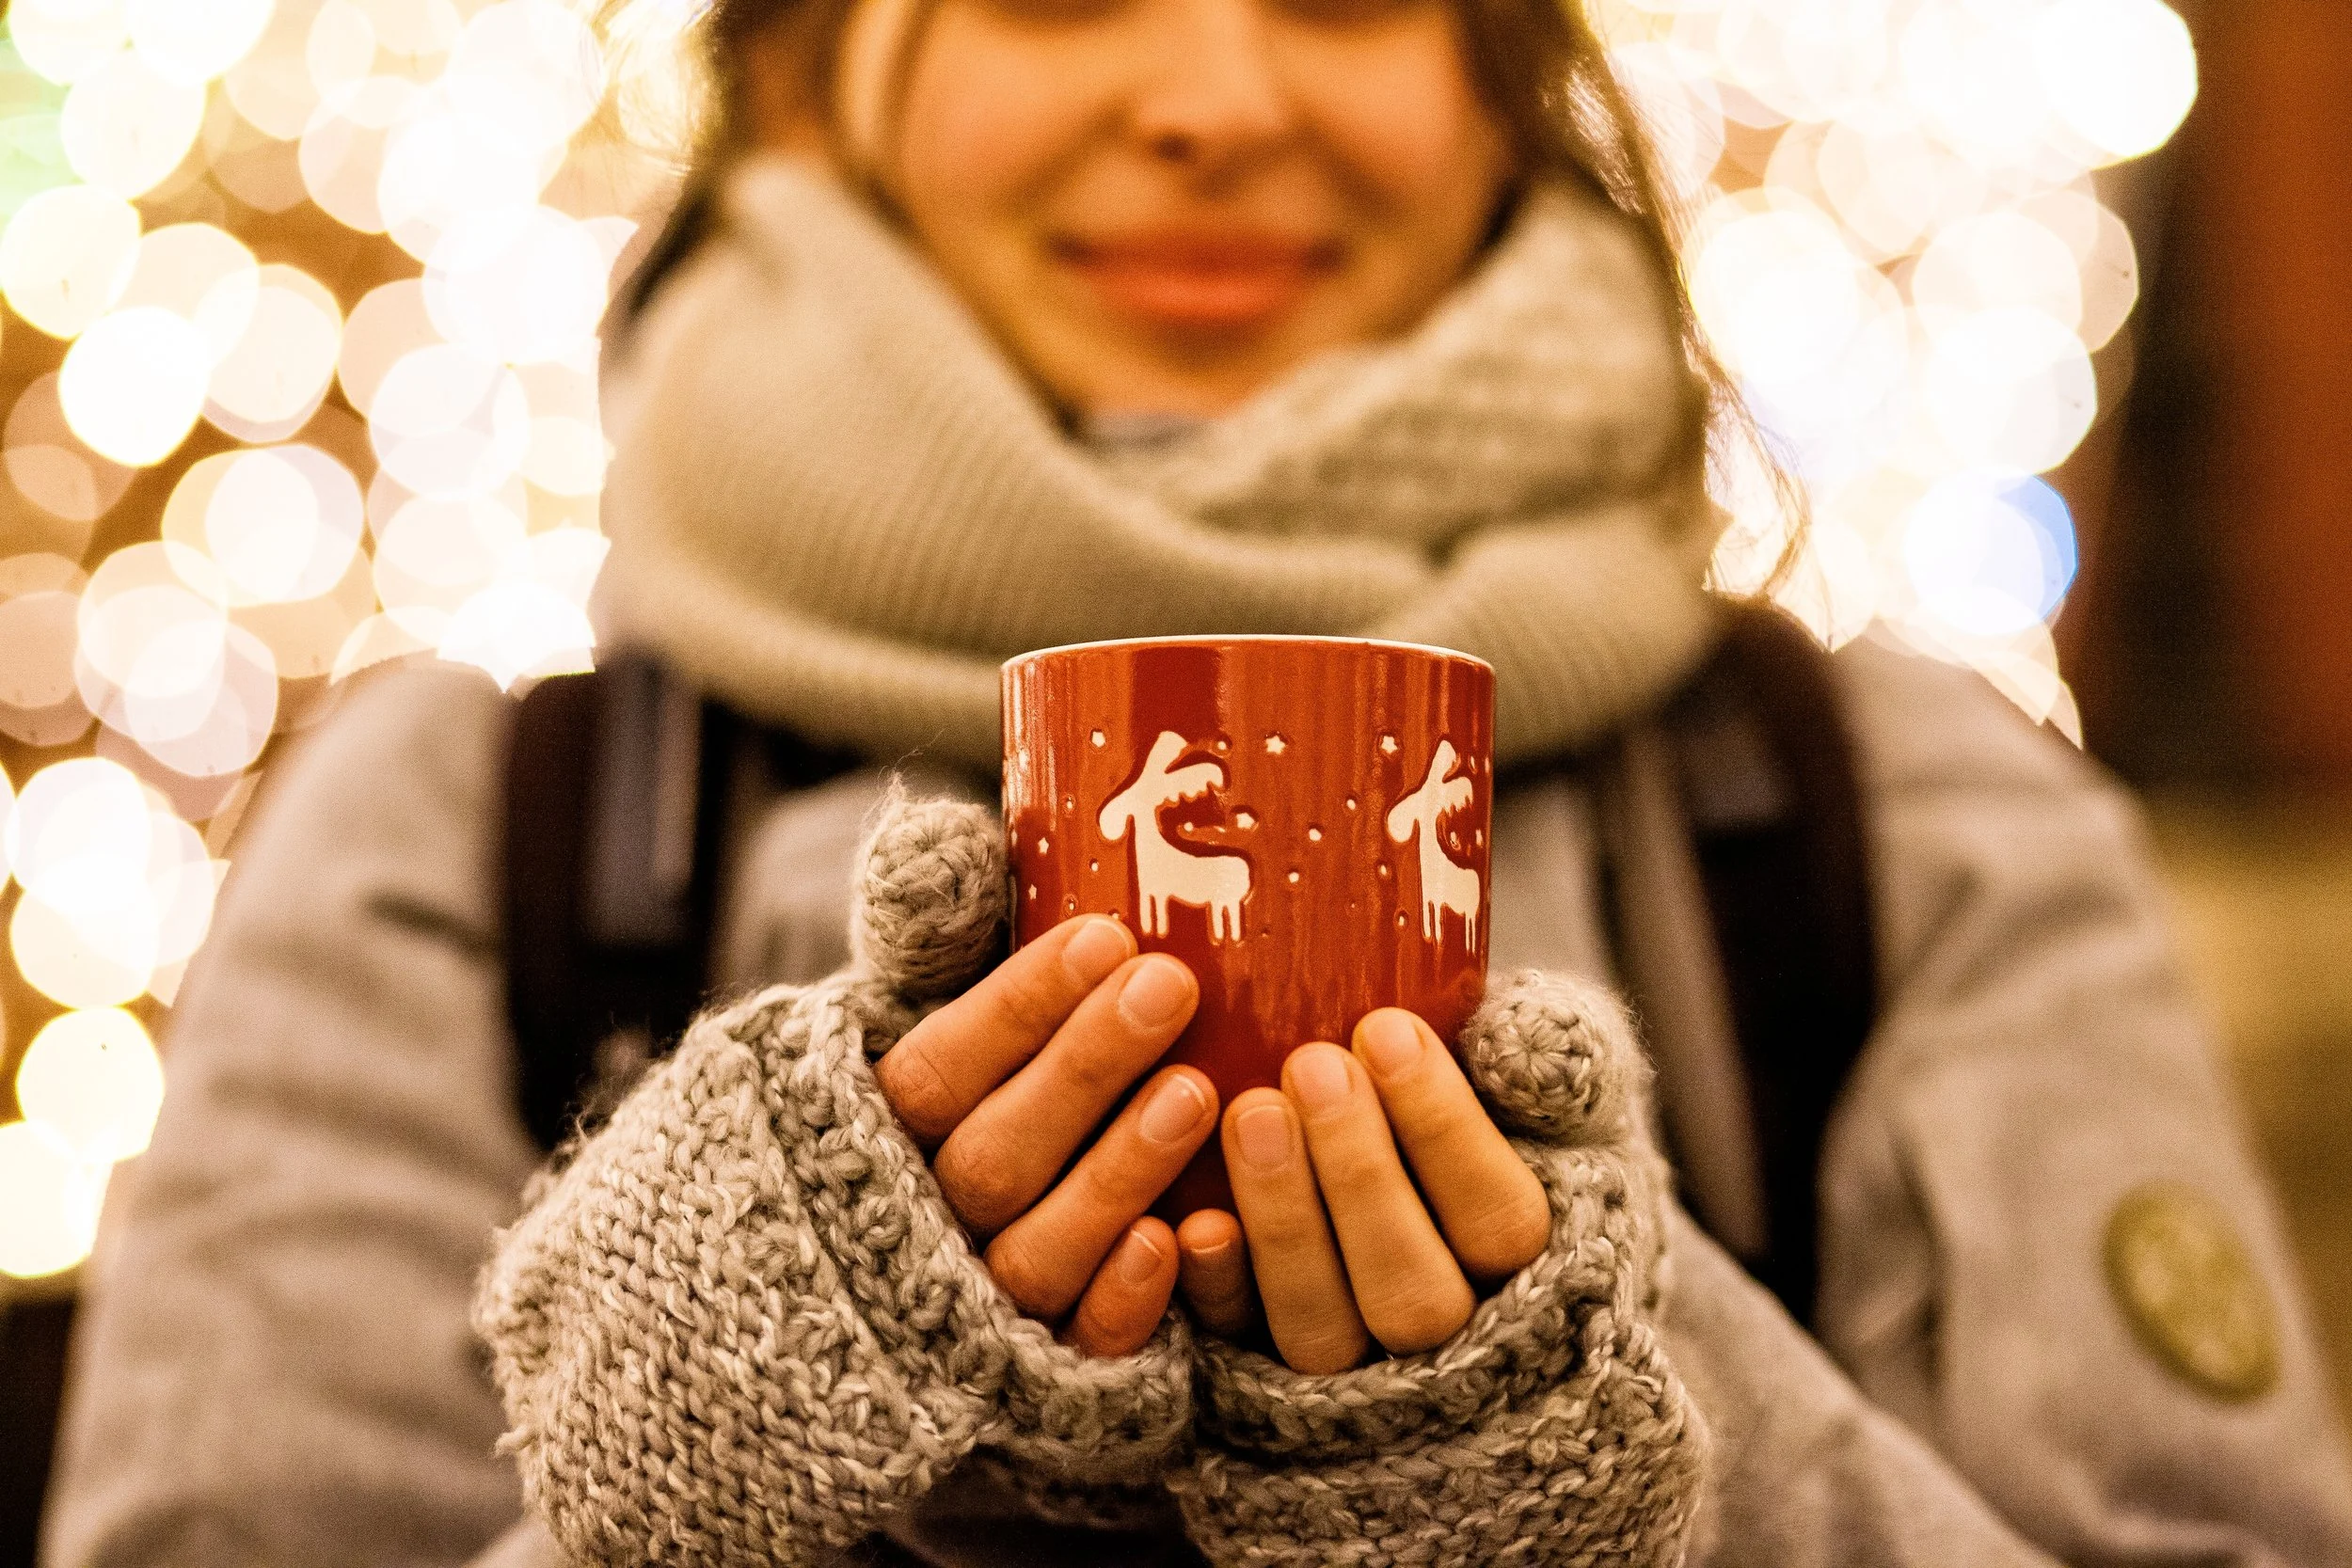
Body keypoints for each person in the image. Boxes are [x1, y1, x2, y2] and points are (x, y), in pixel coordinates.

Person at [39, 0, 2352, 1560]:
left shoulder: (1904, 816)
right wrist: (695, 1465)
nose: (1214, 94)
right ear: (819, 73)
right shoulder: (458, 836)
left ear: (1489, 76)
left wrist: (1621, 1438)